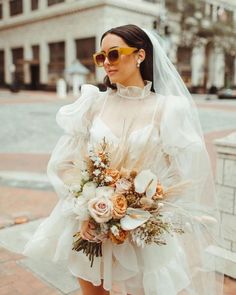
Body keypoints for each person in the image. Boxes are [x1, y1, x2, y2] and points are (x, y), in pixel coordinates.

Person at [24, 24, 224, 295]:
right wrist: (88, 207)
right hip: (89, 221)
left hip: (143, 225)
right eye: (101, 56)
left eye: (114, 54)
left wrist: (143, 206)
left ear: (140, 55)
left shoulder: (168, 109)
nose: (106, 63)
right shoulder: (93, 104)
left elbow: (181, 173)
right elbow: (67, 163)